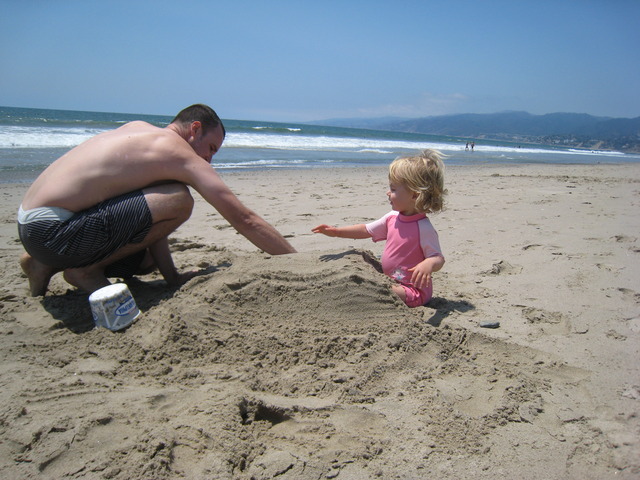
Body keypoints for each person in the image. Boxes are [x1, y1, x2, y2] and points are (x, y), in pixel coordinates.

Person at [18, 104, 296, 297]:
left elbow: (150, 220)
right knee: (179, 200)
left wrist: (172, 278)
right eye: (211, 148)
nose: (209, 159)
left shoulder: (137, 128)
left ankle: (41, 264)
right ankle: (86, 270)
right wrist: (298, 262)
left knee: (147, 260)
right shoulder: (178, 153)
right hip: (54, 231)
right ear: (195, 129)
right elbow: (244, 219)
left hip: (34, 229)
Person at [312, 149, 446, 307]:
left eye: (393, 189)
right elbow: (365, 230)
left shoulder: (423, 227)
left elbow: (438, 258)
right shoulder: (392, 217)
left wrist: (429, 264)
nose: (388, 193)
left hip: (412, 290)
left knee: (377, 290)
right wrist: (336, 232)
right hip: (391, 278)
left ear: (415, 195)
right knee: (370, 280)